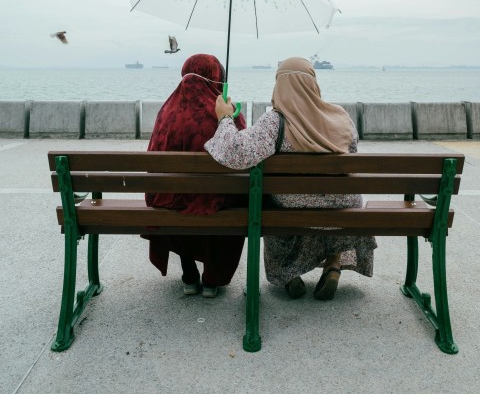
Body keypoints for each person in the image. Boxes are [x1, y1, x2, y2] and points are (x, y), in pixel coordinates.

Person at [205, 56, 377, 300]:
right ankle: (333, 264)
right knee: (335, 198)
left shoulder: (275, 121)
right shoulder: (341, 117)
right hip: (343, 207)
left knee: (268, 202)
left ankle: (289, 274)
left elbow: (237, 153)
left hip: (293, 206)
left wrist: (224, 117)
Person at [143, 53, 247, 298]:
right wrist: (230, 116)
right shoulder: (225, 113)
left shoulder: (166, 111)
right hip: (217, 206)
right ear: (215, 77)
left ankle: (189, 272)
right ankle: (212, 279)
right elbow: (242, 156)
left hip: (169, 205)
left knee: (176, 195)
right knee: (226, 195)